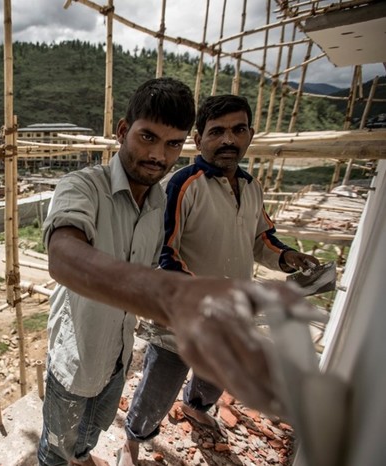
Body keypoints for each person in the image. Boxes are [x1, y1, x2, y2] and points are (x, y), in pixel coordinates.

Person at [37, 79, 315, 466]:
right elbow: (64, 257)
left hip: (118, 355)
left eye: (171, 144)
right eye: (147, 137)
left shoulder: (158, 202)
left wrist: (284, 263)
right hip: (77, 358)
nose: (157, 155)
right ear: (122, 131)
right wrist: (173, 293)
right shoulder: (83, 186)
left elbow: (250, 240)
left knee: (89, 435)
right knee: (55, 449)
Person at [118, 94, 320, 465]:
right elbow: (165, 252)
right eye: (217, 132)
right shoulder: (183, 184)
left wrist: (289, 257)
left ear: (250, 135)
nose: (228, 139)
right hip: (182, 316)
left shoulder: (251, 186)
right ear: (199, 140)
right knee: (159, 386)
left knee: (215, 375)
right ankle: (133, 440)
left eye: (238, 130)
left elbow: (262, 240)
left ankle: (196, 407)